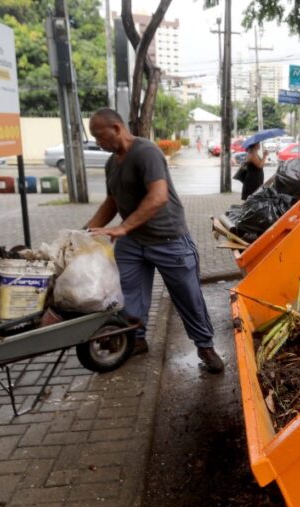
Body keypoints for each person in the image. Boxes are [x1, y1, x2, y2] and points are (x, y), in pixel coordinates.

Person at [84, 108, 224, 374]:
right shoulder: (111, 163)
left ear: (116, 128)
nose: (98, 142)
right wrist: (86, 231)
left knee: (188, 298)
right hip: (133, 242)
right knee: (127, 295)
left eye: (100, 136)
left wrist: (123, 227)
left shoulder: (146, 152)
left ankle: (205, 346)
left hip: (169, 239)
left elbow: (158, 196)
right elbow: (112, 201)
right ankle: (135, 339)